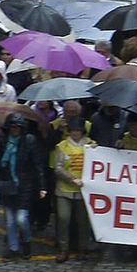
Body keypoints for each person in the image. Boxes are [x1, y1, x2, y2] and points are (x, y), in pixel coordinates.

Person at [0, 110, 46, 258]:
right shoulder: (3, 140)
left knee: (21, 218)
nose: (15, 130)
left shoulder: (29, 141)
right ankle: (13, 248)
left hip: (24, 185)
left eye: (17, 127)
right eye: (12, 127)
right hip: (7, 182)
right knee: (10, 220)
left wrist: (42, 186)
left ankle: (26, 240)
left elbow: (38, 165)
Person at [50, 109, 92, 260]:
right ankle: (63, 248)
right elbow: (58, 167)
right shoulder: (62, 146)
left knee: (83, 221)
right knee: (63, 218)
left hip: (83, 189)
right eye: (72, 130)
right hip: (65, 189)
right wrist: (71, 179)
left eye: (78, 131)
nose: (75, 133)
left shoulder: (90, 145)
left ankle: (82, 247)